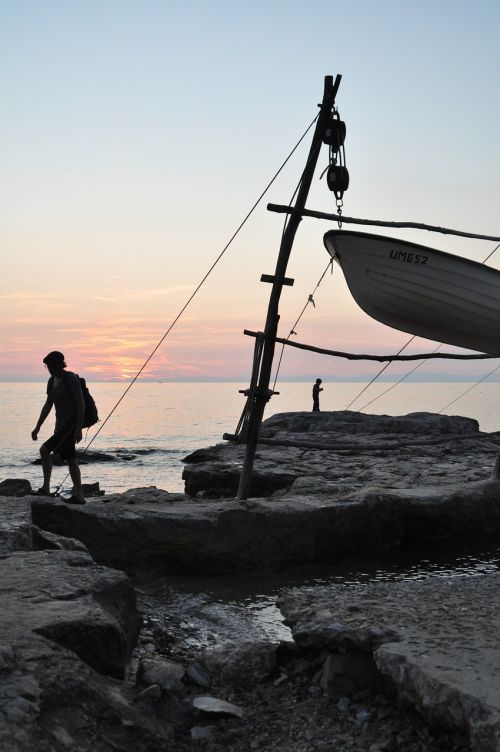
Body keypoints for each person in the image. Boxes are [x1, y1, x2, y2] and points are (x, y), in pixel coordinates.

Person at [31, 351, 86, 504]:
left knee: (45, 449)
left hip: (70, 425)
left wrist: (78, 428)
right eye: (46, 366)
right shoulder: (51, 381)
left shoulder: (71, 379)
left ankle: (46, 488)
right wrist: (37, 427)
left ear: (58, 365)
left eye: (50, 366)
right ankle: (79, 495)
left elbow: (81, 404)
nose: (48, 369)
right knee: (71, 459)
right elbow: (48, 404)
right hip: (60, 426)